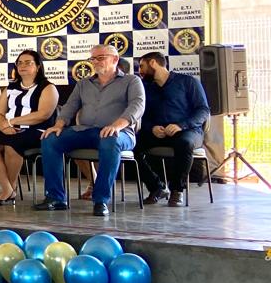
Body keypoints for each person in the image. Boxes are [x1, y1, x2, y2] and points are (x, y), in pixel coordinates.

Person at [35, 44, 145, 217]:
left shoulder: (131, 81)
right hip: (86, 130)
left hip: (121, 133)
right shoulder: (83, 84)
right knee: (50, 138)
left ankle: (100, 200)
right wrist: (59, 124)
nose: (95, 62)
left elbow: (137, 106)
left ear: (115, 59)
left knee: (110, 140)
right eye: (93, 58)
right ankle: (55, 198)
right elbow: (70, 107)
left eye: (100, 58)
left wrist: (116, 125)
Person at [0, 50, 59, 205]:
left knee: (11, 145)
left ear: (38, 66)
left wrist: (11, 122)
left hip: (37, 131)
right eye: (19, 63)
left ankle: (9, 189)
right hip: (11, 129)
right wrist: (4, 127)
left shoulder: (48, 87)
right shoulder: (10, 88)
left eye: (28, 62)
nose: (23, 65)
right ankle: (8, 188)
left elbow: (43, 114)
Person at [134, 52, 210, 207]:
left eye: (142, 66)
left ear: (153, 63)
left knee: (184, 143)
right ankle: (157, 187)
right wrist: (151, 128)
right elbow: (142, 115)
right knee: (131, 145)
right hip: (158, 132)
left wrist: (181, 125)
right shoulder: (146, 88)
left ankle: (177, 190)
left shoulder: (188, 82)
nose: (139, 70)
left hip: (188, 130)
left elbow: (203, 110)